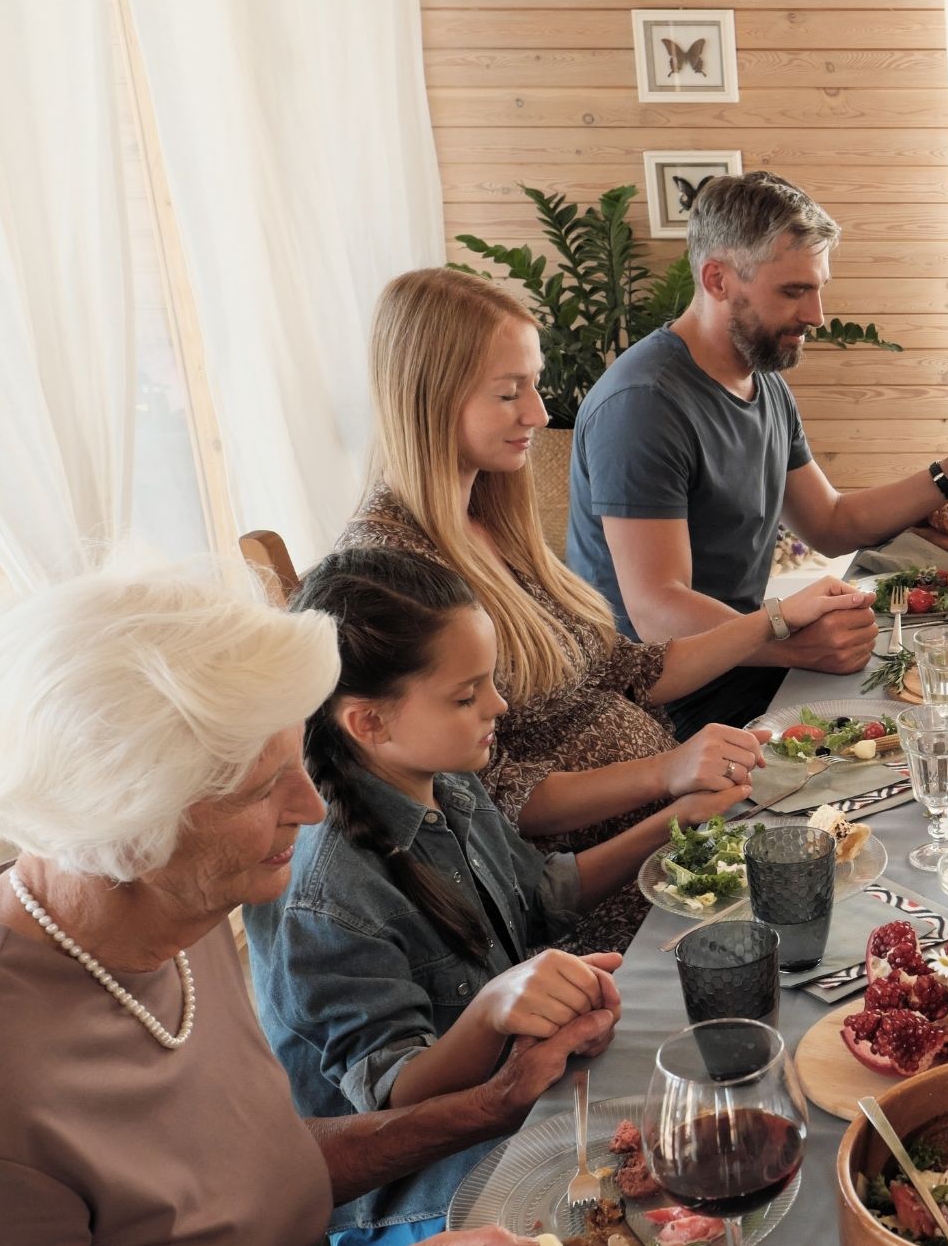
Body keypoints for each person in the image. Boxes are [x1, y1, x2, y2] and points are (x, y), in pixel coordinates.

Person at [0, 559, 583, 1246]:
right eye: (266, 787)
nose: (309, 806)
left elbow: (246, 1176)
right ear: (127, 819)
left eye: (299, 761)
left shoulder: (166, 914)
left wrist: (494, 1103)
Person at [341, 268, 862, 952]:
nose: (538, 413)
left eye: (533, 383)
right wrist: (663, 774)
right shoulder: (394, 574)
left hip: (675, 835)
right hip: (600, 900)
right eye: (510, 393)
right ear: (430, 400)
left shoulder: (492, 518)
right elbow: (486, 800)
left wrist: (776, 619)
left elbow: (634, 670)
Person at [248, 549, 685, 1246]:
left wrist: (676, 825)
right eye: (466, 695)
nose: (499, 708)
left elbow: (541, 895)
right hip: (396, 1195)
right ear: (369, 723)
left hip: (510, 1097)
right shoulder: (327, 893)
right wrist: (493, 1009)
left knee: (690, 1101)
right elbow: (393, 1102)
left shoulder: (442, 776)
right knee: (652, 1207)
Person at [564, 170, 948, 735]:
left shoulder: (762, 384)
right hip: (657, 709)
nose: (817, 315)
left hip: (741, 668)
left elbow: (831, 524)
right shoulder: (644, 404)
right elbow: (657, 612)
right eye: (793, 291)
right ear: (716, 279)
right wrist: (791, 641)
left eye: (818, 288)